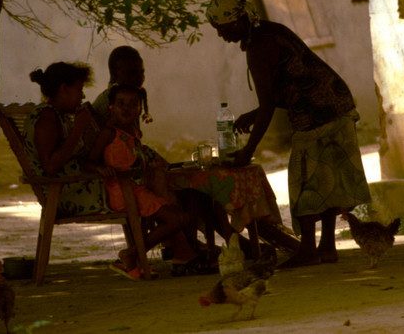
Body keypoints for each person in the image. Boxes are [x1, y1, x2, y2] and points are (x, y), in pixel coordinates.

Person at [206, 0, 372, 269]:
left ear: (236, 21)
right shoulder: (270, 31)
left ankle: (309, 250)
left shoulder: (258, 46)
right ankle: (327, 247)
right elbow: (290, 85)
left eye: (222, 29)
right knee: (328, 178)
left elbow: (269, 102)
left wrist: (248, 150)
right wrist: (256, 112)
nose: (222, 36)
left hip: (317, 114)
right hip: (337, 103)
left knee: (304, 181)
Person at [93, 45, 253, 258]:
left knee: (194, 188)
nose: (139, 77)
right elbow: (109, 149)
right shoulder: (112, 102)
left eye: (141, 72)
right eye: (132, 72)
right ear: (114, 74)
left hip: (138, 167)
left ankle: (223, 240)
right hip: (125, 181)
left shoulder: (130, 98)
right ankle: (185, 245)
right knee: (176, 185)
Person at [85, 83, 215, 278]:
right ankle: (132, 254)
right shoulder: (109, 134)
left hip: (139, 190)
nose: (126, 108)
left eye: (133, 104)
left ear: (140, 110)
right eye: (121, 103)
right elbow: (87, 161)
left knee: (182, 216)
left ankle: (134, 254)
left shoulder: (135, 133)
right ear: (110, 106)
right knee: (177, 218)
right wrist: (100, 168)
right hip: (123, 192)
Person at [25, 62, 106, 217]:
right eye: (79, 89)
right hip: (67, 195)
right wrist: (78, 129)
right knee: (139, 189)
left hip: (74, 188)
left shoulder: (58, 115)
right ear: (64, 88)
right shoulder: (47, 116)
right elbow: (50, 166)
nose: (82, 96)